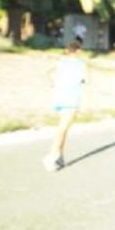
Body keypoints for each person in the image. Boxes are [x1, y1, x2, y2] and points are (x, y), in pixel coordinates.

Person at [43, 40, 87, 171]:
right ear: (78, 51)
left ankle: (60, 157)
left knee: (63, 128)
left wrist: (52, 84)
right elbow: (86, 80)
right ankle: (51, 157)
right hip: (72, 99)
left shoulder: (60, 61)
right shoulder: (81, 64)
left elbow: (47, 73)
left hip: (59, 97)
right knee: (62, 128)